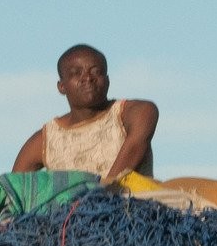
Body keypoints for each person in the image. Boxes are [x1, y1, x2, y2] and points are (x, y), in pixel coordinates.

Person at [12, 44, 157, 181]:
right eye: (76, 73)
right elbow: (12, 188)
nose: (87, 78)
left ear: (107, 80)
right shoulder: (45, 140)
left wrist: (103, 191)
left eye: (96, 72)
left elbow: (134, 147)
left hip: (132, 199)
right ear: (61, 86)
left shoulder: (135, 112)